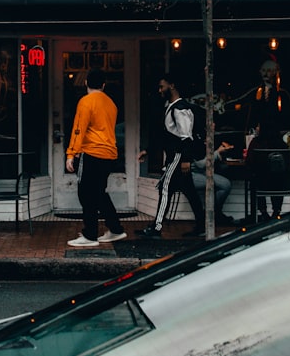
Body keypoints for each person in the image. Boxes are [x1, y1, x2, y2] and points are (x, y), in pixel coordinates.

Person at [138, 73, 207, 239]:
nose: (160, 90)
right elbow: (166, 135)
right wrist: (148, 150)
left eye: (162, 86)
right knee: (189, 191)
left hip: (176, 156)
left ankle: (156, 228)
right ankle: (201, 225)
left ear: (172, 85)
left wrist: (185, 160)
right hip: (176, 156)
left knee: (165, 188)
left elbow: (186, 136)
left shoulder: (179, 108)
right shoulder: (171, 106)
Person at [65, 68, 126, 247]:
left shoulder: (85, 102)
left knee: (85, 193)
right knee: (99, 193)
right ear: (104, 85)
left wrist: (71, 154)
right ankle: (115, 229)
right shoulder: (111, 104)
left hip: (91, 153)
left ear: (86, 83)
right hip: (109, 154)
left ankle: (90, 235)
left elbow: (78, 129)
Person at [243, 56, 290, 221]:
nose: (266, 74)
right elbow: (250, 115)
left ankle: (276, 211)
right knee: (256, 176)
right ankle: (262, 212)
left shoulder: (282, 94)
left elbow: (289, 119)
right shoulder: (256, 92)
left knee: (276, 177)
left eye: (270, 70)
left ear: (276, 72)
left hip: (276, 142)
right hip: (261, 142)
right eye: (264, 70)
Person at [191, 141, 237, 226]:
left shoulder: (204, 141)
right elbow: (201, 164)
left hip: (202, 172)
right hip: (192, 174)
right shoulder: (193, 142)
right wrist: (218, 152)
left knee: (225, 183)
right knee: (224, 185)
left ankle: (215, 214)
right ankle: (214, 214)